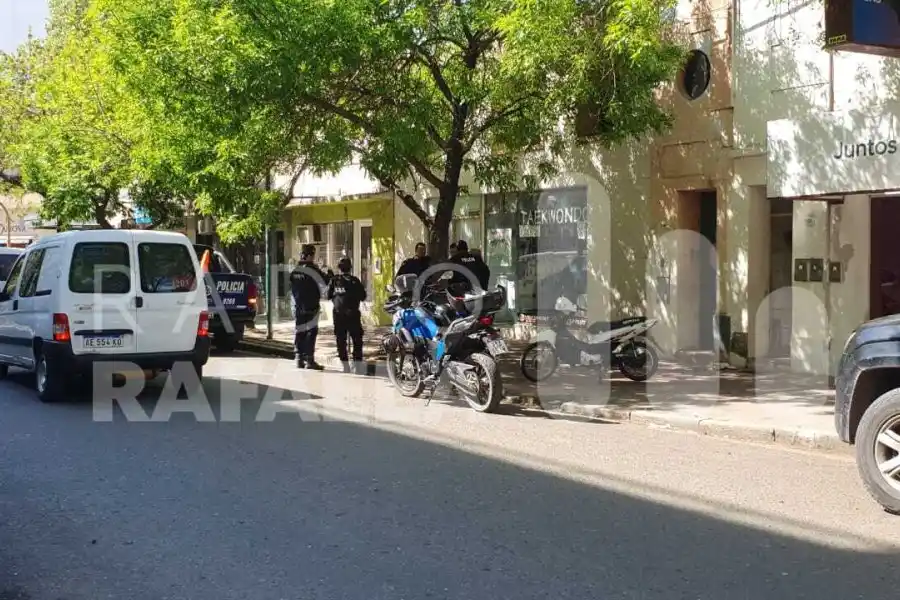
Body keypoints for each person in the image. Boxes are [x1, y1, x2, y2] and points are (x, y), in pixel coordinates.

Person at [290, 244, 331, 370]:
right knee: (311, 332)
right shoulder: (313, 269)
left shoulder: (296, 270)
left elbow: (292, 284)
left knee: (300, 330)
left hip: (298, 305)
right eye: (313, 255)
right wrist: (329, 272)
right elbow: (325, 281)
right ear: (310, 255)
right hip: (311, 305)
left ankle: (299, 358)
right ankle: (309, 360)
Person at [327, 257, 367, 373]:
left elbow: (328, 295)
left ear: (339, 268)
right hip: (353, 314)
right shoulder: (355, 281)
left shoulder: (334, 281)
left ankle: (345, 365)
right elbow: (363, 296)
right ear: (350, 268)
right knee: (357, 340)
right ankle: (357, 365)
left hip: (339, 315)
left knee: (341, 340)